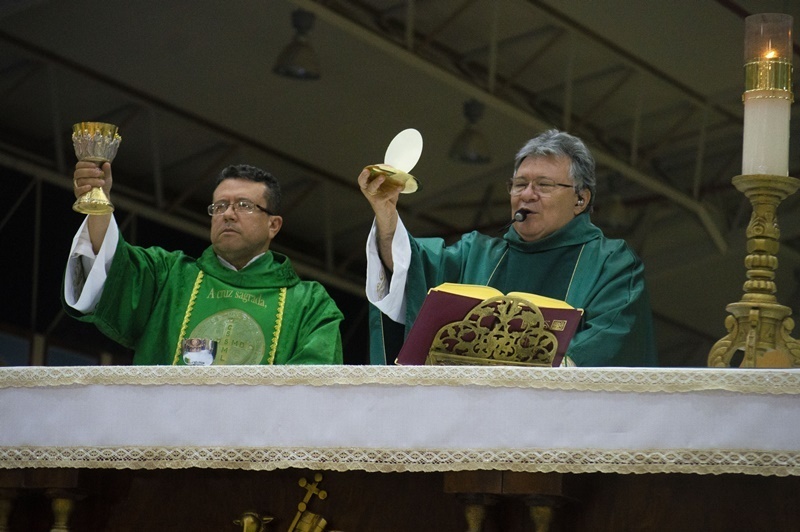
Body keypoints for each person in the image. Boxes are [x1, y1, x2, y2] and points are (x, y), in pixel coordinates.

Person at [358, 129, 657, 367]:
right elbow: (409, 271)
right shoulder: (475, 255)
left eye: (544, 185)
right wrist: (387, 217)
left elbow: (612, 336)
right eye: (519, 184)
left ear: (581, 199)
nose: (527, 195)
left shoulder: (610, 264)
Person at [63, 163, 343, 365]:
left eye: (244, 205)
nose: (228, 215)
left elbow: (315, 391)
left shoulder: (308, 304)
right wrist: (98, 201)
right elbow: (112, 267)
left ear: (273, 225)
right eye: (220, 206)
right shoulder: (170, 278)